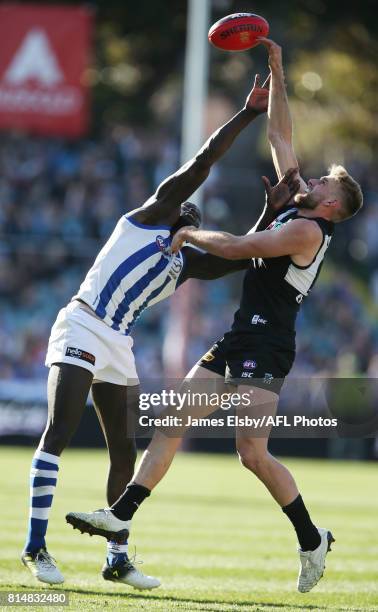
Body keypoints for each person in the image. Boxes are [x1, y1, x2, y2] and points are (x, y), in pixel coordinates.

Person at [66, 38, 364, 594]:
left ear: (331, 207)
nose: (314, 180)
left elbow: (231, 248)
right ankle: (123, 515)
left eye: (323, 183)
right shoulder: (301, 206)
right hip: (240, 337)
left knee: (251, 453)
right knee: (173, 415)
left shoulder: (306, 230)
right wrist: (277, 68)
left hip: (269, 345)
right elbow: (279, 136)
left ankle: (310, 538)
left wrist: (188, 232)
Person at [22, 72, 298, 588]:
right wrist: (247, 114)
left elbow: (239, 254)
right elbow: (202, 163)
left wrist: (270, 212)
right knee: (59, 430)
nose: (190, 209)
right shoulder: (144, 219)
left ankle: (117, 557)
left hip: (117, 345)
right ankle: (35, 547)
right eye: (186, 209)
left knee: (125, 451)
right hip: (82, 323)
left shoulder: (185, 262)